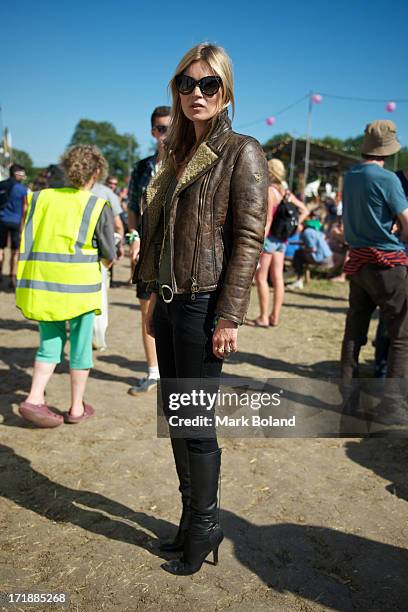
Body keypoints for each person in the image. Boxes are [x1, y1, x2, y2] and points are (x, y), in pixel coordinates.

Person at [135, 43, 268, 575]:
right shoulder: (174, 153)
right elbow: (163, 234)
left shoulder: (242, 150)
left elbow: (249, 239)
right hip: (169, 302)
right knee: (176, 416)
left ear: (226, 90)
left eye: (208, 84)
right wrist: (150, 290)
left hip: (204, 304)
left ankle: (207, 522)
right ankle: (191, 520)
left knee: (196, 421)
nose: (196, 93)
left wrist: (231, 316)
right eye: (187, 84)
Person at [16, 145, 116, 428]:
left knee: (49, 344)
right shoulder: (96, 205)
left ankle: (34, 398)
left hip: (44, 286)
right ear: (96, 172)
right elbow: (109, 253)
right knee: (81, 348)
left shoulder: (39, 198)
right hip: (80, 291)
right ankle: (75, 408)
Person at [340, 120, 408, 426]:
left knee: (355, 331)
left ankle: (348, 398)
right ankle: (391, 405)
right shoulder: (387, 178)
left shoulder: (350, 175)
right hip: (387, 264)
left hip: (358, 262)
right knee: (402, 335)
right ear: (388, 150)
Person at [127, 106, 171, 394]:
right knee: (147, 313)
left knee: (178, 315)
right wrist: (134, 236)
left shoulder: (190, 162)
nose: (166, 134)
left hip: (180, 253)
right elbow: (132, 208)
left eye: (172, 127)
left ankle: (175, 374)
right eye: (161, 129)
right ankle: (153, 372)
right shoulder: (143, 167)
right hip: (147, 252)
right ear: (153, 131)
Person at [248, 158, 307, 327]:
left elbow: (268, 220)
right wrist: (294, 226)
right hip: (283, 240)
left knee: (261, 277)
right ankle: (275, 316)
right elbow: (304, 209)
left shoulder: (270, 191)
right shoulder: (286, 192)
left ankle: (263, 317)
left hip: (270, 239)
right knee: (278, 278)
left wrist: (259, 242)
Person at [0, 164, 28, 289]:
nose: (23, 176)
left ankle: (0, 274)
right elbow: (25, 207)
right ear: (16, 174)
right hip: (15, 222)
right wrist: (23, 224)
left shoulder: (1, 185)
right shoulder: (22, 189)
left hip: (1, 220)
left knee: (0, 249)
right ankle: (12, 277)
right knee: (15, 251)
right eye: (21, 174)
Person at [288, 218, 333, 289]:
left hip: (322, 258)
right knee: (300, 254)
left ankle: (297, 277)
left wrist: (304, 249)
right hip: (328, 257)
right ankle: (295, 273)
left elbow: (312, 249)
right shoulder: (312, 230)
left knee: (298, 254)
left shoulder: (306, 232)